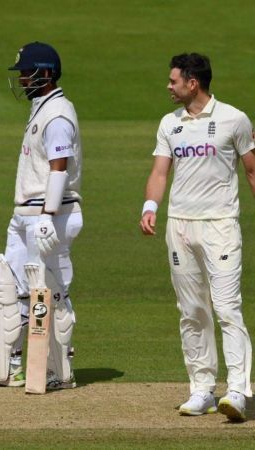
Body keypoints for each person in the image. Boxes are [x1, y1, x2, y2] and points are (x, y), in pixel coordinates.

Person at [140, 53, 254, 421]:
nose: (168, 86)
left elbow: (252, 171)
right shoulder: (169, 124)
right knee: (192, 310)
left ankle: (237, 390)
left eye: (174, 81)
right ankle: (202, 389)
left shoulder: (233, 119)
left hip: (220, 224)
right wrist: (150, 207)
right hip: (179, 225)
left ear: (193, 83)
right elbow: (160, 172)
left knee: (226, 308)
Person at [0, 42, 82, 391]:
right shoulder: (41, 107)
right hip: (26, 213)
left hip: (49, 214)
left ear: (45, 73)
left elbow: (58, 168)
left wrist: (48, 215)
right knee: (11, 287)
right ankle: (12, 365)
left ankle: (59, 370)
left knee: (47, 290)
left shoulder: (58, 113)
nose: (20, 79)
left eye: (26, 72)